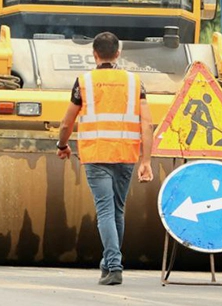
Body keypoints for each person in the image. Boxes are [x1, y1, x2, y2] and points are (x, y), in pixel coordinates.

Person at [56, 32, 154, 285]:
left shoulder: (84, 82)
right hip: (126, 155)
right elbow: (147, 123)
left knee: (105, 212)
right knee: (117, 212)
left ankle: (113, 265)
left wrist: (63, 145)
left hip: (96, 154)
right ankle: (108, 263)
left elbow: (68, 121)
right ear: (118, 53)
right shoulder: (135, 82)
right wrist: (146, 161)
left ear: (95, 54)